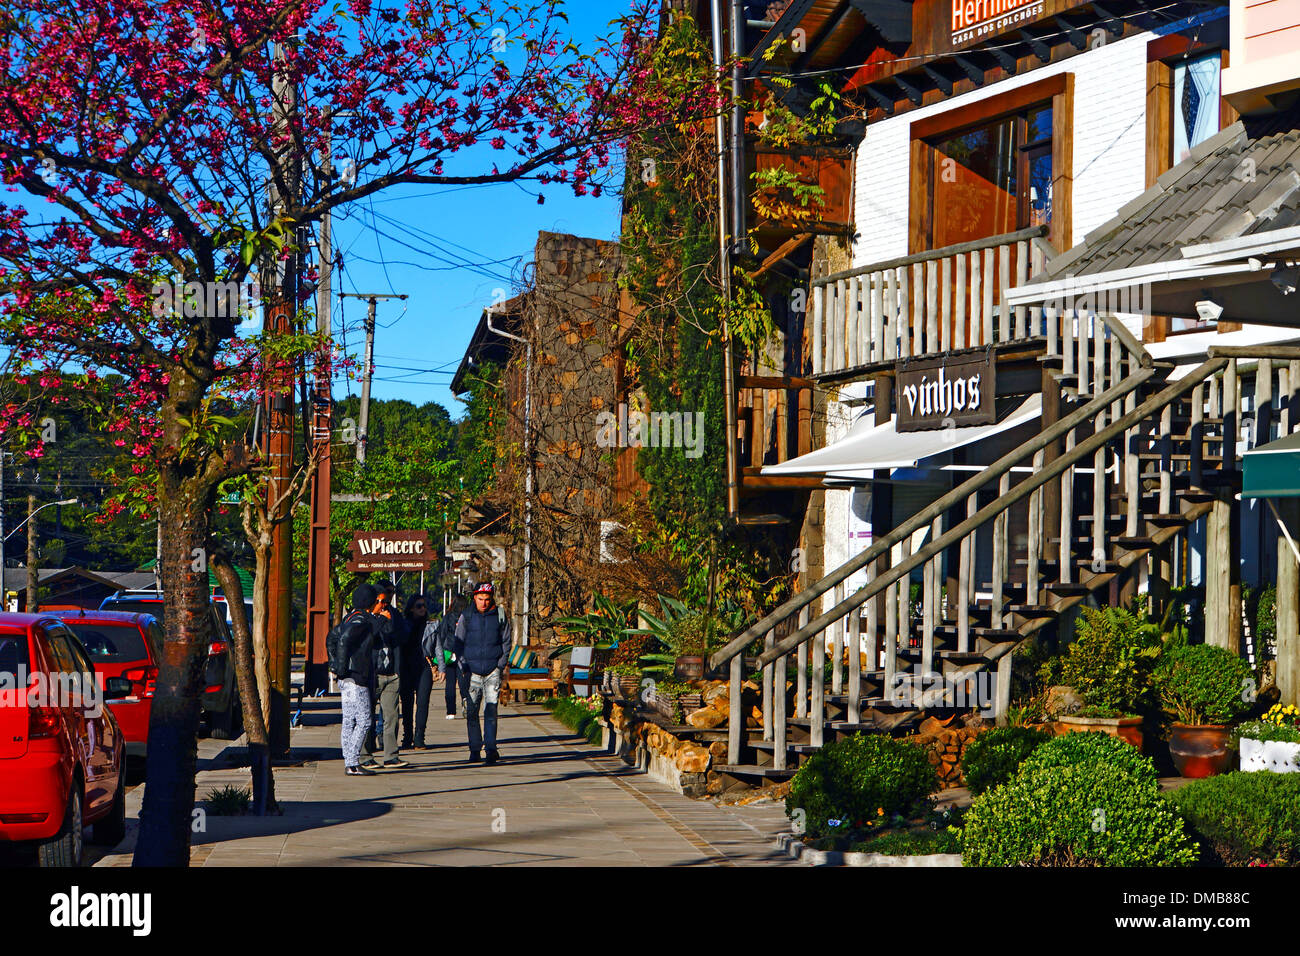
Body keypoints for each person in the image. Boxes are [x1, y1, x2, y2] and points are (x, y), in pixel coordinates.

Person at [448, 582, 511, 765]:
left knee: (491, 711)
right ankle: (475, 749)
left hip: (492, 669)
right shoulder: (466, 615)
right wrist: (463, 665)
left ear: (491, 599)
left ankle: (491, 749)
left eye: (487, 599)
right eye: (480, 599)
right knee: (472, 712)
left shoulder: (499, 615)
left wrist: (500, 664)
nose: (483, 603)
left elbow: (506, 640)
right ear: (474, 597)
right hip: (472, 671)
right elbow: (458, 642)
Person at [338, 584, 384, 776]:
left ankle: (349, 760)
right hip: (357, 676)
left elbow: (333, 637)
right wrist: (341, 666)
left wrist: (338, 668)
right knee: (365, 720)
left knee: (349, 720)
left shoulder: (347, 618)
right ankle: (353, 762)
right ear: (370, 602)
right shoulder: (362, 620)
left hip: (347, 677)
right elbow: (344, 640)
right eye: (377, 601)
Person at [369, 580, 409, 769]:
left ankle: (391, 755)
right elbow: (368, 636)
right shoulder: (365, 616)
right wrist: (381, 619)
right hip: (372, 673)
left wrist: (390, 621)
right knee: (365, 717)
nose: (386, 604)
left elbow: (402, 636)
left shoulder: (394, 614)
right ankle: (364, 754)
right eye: (382, 599)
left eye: (389, 597)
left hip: (392, 672)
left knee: (391, 716)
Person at [401, 593, 432, 749]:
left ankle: (420, 738)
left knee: (423, 703)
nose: (422, 609)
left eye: (424, 606)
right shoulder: (404, 624)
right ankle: (407, 737)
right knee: (407, 703)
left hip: (423, 665)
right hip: (406, 666)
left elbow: (438, 645)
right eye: (419, 606)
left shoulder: (430, 625)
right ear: (411, 608)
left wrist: (439, 664)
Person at [431, 593, 468, 720]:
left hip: (449, 653)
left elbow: (441, 635)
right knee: (463, 680)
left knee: (450, 683)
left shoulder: (447, 617)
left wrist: (438, 654)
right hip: (463, 653)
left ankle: (450, 711)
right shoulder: (467, 617)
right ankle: (466, 701)